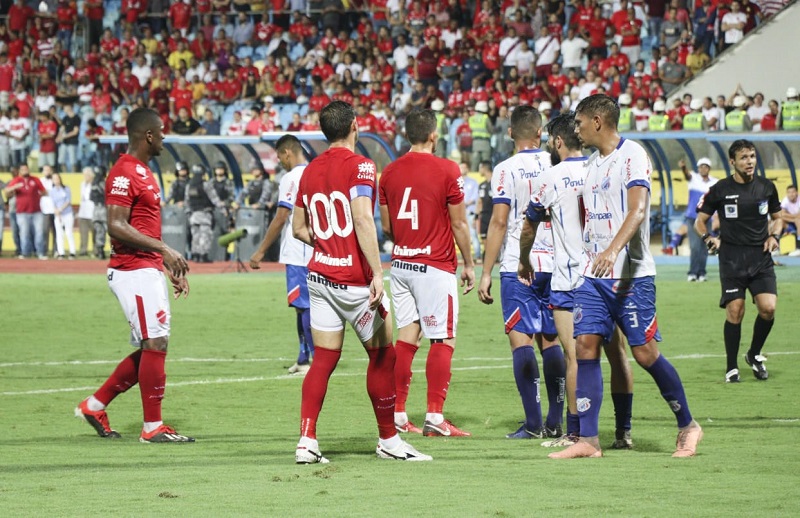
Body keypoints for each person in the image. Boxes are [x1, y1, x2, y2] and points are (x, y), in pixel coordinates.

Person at [549, 94, 702, 459]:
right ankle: (589, 440)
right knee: (584, 346)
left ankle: (688, 426)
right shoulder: (590, 164)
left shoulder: (633, 155)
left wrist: (613, 250)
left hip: (630, 276)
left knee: (645, 353)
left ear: (598, 121)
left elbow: (637, 211)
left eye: (580, 122)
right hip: (593, 275)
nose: (577, 129)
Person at [291, 100, 431, 463]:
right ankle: (389, 440)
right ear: (355, 125)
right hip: (354, 281)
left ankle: (306, 441)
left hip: (320, 277)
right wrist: (377, 272)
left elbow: (298, 228)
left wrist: (326, 245)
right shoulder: (362, 166)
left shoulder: (308, 171)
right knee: (384, 355)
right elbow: (363, 219)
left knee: (323, 359)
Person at [74, 107, 193, 443]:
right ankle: (152, 427)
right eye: (162, 131)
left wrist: (165, 261)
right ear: (149, 135)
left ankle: (95, 405)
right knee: (155, 342)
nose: (165, 137)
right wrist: (166, 250)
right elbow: (116, 224)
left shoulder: (142, 171)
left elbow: (142, 226)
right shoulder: (124, 172)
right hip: (131, 270)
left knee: (153, 345)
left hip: (146, 268)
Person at [520, 113, 635, 449]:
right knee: (618, 356)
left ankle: (576, 433)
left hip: (570, 278)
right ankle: (623, 432)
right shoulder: (600, 167)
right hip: (607, 273)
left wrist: (525, 259)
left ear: (557, 142)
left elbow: (529, 226)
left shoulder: (552, 177)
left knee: (576, 358)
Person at [378, 109, 475, 437]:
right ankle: (435, 416)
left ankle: (398, 414)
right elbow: (460, 222)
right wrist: (470, 263)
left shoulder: (388, 173)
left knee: (407, 338)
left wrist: (408, 242)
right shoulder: (447, 169)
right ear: (434, 135)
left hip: (401, 265)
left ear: (407, 135)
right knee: (443, 338)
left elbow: (387, 225)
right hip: (435, 266)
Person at [477, 105, 566, 440]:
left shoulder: (505, 169)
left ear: (511, 132)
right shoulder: (555, 163)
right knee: (551, 340)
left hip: (519, 262)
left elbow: (499, 221)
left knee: (521, 341)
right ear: (541, 133)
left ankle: (533, 423)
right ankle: (556, 420)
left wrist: (487, 271)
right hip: (555, 263)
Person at [695, 139, 781, 383]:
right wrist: (707, 238)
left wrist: (774, 235)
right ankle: (731, 366)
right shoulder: (720, 189)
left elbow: (778, 217)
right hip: (731, 258)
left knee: (768, 308)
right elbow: (699, 221)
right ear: (732, 162)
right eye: (743, 157)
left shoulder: (766, 187)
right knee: (735, 310)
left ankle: (753, 354)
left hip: (760, 258)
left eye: (752, 156)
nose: (749, 161)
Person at [249, 135, 314, 376]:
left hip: (300, 252)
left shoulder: (291, 178)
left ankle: (316, 361)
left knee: (305, 306)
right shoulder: (315, 172)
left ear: (287, 152)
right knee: (303, 307)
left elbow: (281, 217)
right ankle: (303, 358)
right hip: (314, 249)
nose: (280, 162)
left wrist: (261, 251)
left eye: (279, 157)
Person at [675, 157, 718, 281]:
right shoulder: (693, 178)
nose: (703, 169)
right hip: (692, 218)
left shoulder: (714, 182)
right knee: (694, 246)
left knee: (705, 246)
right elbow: (687, 175)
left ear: (709, 169)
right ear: (698, 168)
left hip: (707, 219)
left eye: (705, 166)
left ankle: (702, 273)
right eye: (701, 166)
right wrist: (683, 167)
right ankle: (692, 273)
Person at [3, 164, 47, 259]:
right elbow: (6, 192)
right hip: (22, 212)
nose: (25, 171)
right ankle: (25, 253)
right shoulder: (17, 180)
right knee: (24, 233)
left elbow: (44, 191)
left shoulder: (35, 179)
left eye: (26, 169)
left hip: (36, 211)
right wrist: (14, 187)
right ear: (20, 171)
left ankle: (40, 252)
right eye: (23, 169)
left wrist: (39, 194)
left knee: (39, 232)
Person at [185, 163, 224, 263]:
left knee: (195, 236)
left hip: (193, 215)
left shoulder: (189, 185)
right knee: (205, 235)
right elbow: (214, 198)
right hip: (204, 214)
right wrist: (223, 208)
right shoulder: (205, 184)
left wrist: (189, 214)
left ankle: (195, 256)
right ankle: (203, 256)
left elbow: (187, 201)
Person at [50, 172, 76, 259]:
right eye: (54, 179)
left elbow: (68, 201)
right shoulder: (52, 191)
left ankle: (72, 252)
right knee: (59, 233)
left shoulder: (66, 189)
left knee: (68, 232)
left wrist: (60, 209)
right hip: (58, 214)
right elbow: (53, 203)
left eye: (57, 178)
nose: (56, 180)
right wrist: (56, 211)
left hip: (67, 213)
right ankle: (61, 252)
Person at [459, 161, 481, 263]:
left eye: (464, 167)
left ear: (467, 169)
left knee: (473, 234)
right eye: (460, 167)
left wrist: (465, 203)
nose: (462, 169)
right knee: (461, 235)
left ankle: (477, 256)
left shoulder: (473, 182)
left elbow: (476, 197)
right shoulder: (456, 182)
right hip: (459, 212)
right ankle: (464, 256)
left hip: (469, 212)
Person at [475, 160, 493, 258]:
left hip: (494, 214)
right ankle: (487, 255)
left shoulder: (496, 182)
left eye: (480, 168)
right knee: (483, 237)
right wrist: (476, 216)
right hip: (485, 215)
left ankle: (495, 256)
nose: (479, 170)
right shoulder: (481, 185)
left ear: (484, 168)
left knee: (494, 236)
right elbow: (480, 201)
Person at [90, 165, 108, 259]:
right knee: (111, 232)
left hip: (96, 210)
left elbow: (91, 197)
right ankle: (113, 252)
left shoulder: (93, 184)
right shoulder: (103, 183)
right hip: (104, 210)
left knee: (99, 231)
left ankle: (100, 251)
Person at [78, 167, 95, 256]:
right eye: (85, 175)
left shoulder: (95, 185)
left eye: (88, 175)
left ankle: (95, 250)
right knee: (83, 233)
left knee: (94, 233)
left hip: (92, 212)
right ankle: (83, 250)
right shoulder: (82, 184)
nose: (86, 177)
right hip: (83, 212)